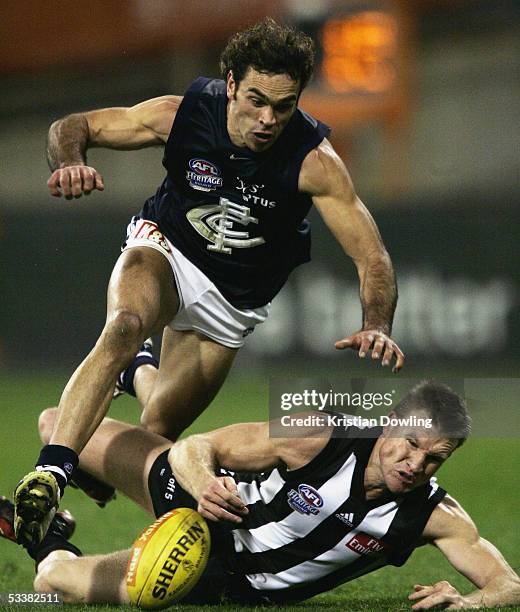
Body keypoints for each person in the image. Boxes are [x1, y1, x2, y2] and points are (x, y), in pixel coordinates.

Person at [14, 18, 404, 547]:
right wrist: (70, 162)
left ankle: (136, 376)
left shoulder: (315, 162)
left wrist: (377, 323)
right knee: (126, 323)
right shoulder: (182, 115)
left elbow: (372, 257)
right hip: (167, 248)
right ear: (231, 83)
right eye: (256, 100)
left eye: (283, 106)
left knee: (153, 435)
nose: (267, 119)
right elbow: (75, 125)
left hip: (231, 303)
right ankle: (50, 475)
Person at [4, 382, 520, 608]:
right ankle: (135, 376)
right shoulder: (318, 434)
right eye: (410, 445)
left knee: (52, 585)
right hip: (202, 500)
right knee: (58, 425)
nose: (416, 464)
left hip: (221, 576)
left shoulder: (431, 514)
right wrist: (204, 482)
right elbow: (198, 446)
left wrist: (470, 603)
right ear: (387, 425)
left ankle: (49, 538)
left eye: (435, 458)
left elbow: (508, 584)